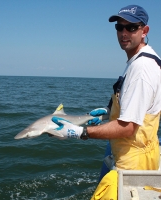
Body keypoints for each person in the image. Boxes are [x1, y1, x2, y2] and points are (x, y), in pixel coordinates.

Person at [47, 5, 161, 171]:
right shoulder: (137, 61)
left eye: (131, 27)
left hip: (134, 163)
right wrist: (108, 112)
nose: (124, 33)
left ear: (144, 31)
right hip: (127, 153)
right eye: (119, 27)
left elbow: (128, 127)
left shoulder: (142, 68)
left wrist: (79, 132)